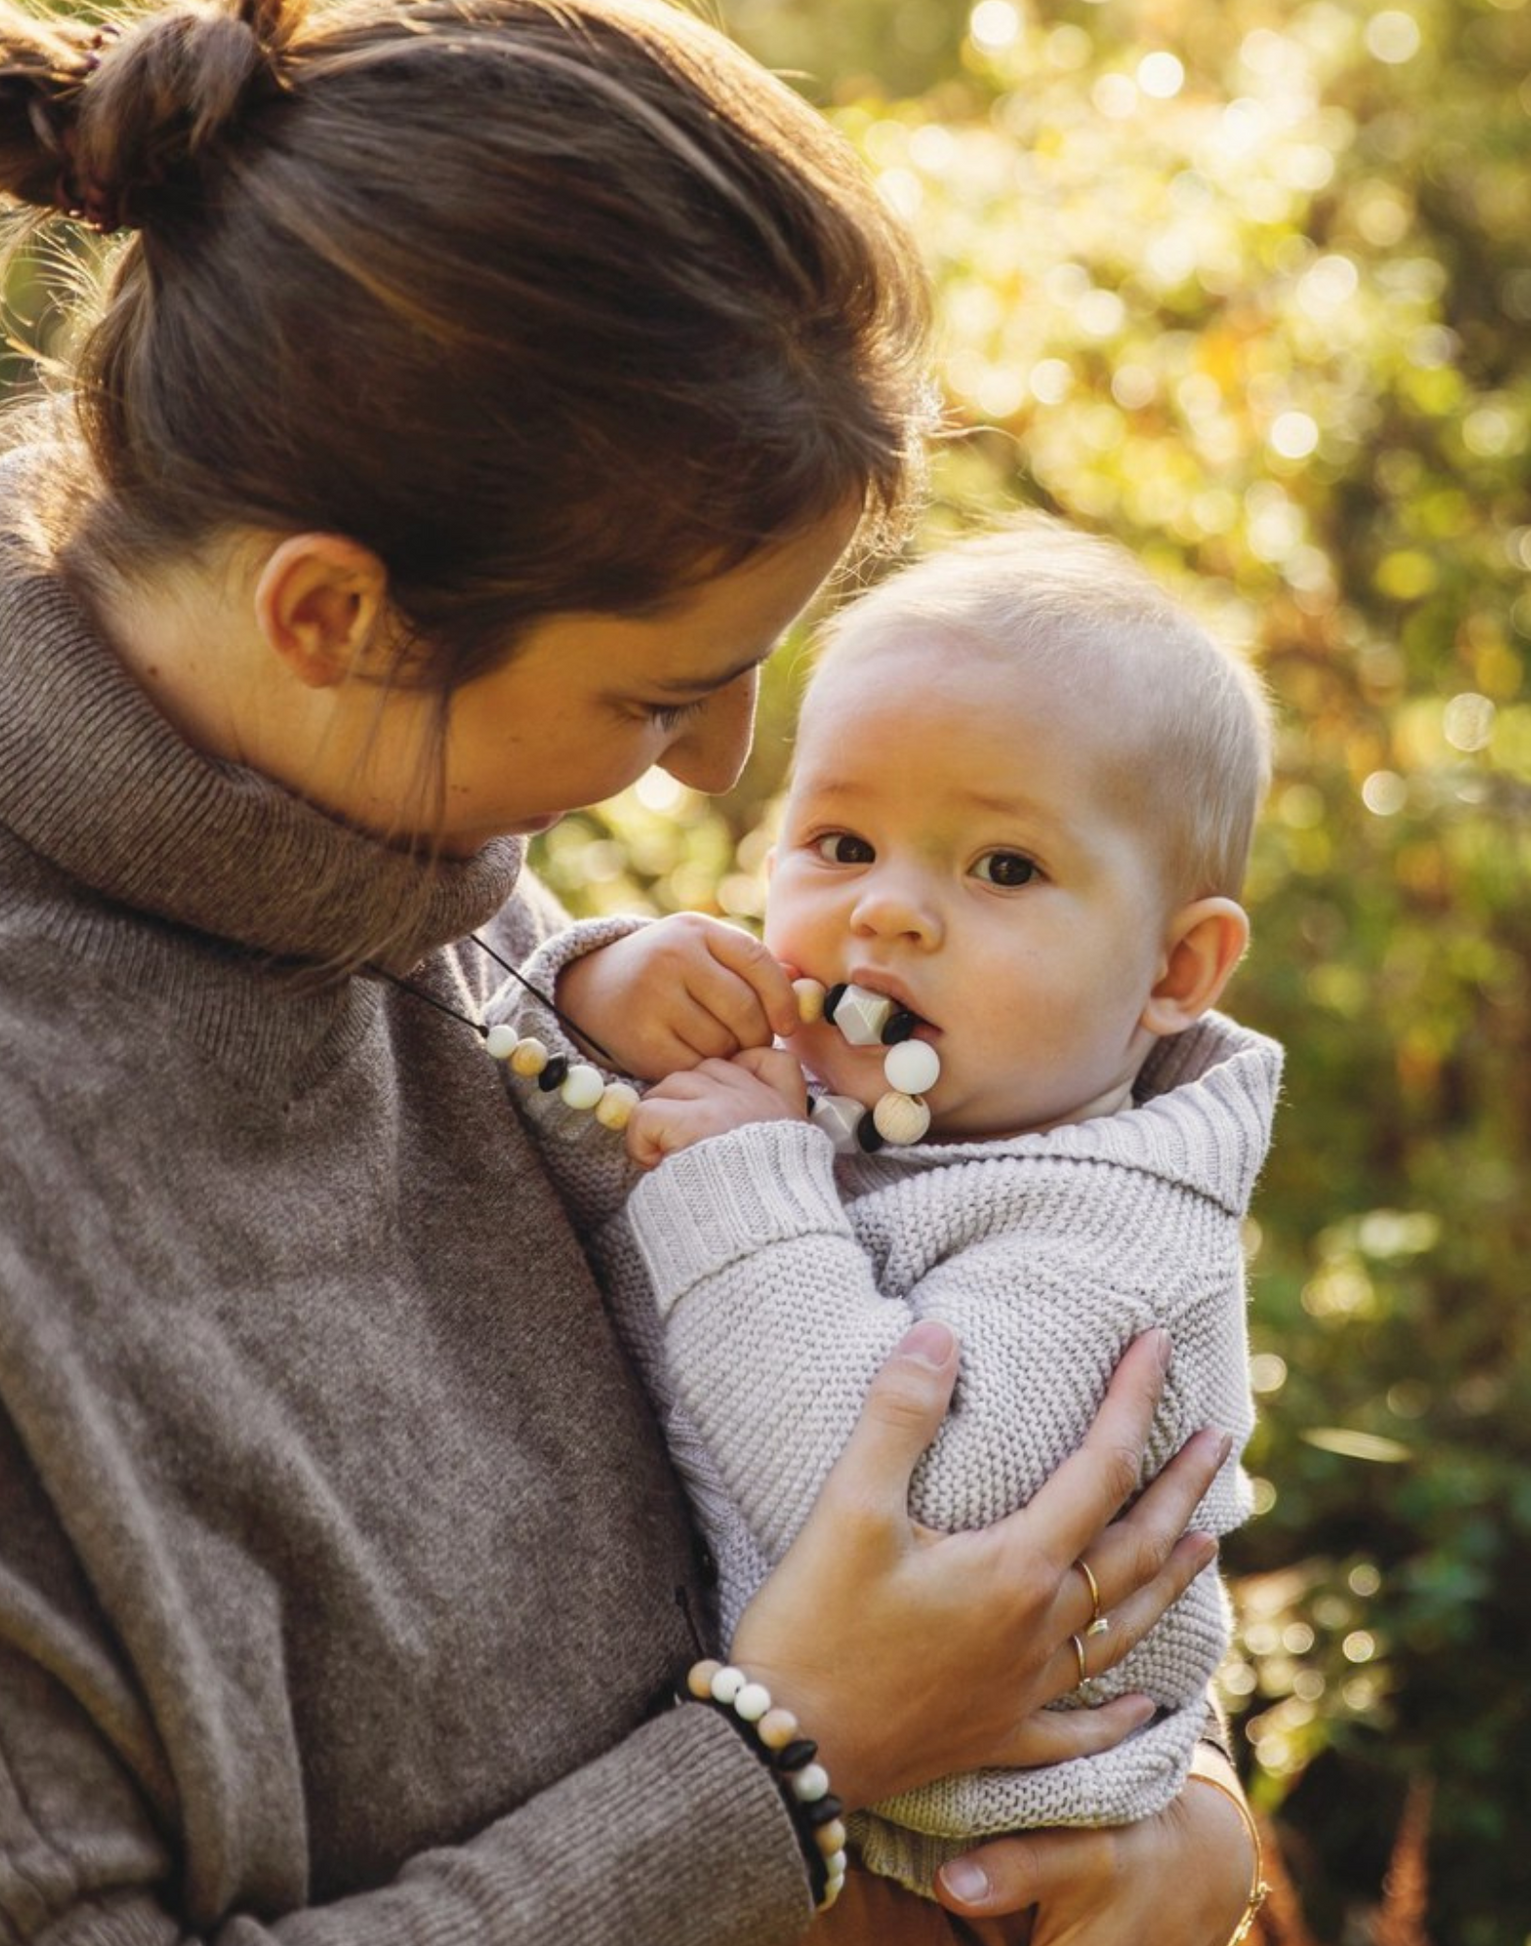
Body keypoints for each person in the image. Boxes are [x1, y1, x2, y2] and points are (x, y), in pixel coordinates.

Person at [0, 0, 1264, 1940]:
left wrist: (1170, 1825)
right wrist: (779, 1767)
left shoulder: (413, 859)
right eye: (659, 690)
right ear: (334, 614)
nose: (717, 767)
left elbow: (923, 1453)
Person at [481, 524, 1280, 1920]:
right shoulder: (855, 1126)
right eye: (841, 843)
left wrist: (738, 1175)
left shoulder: (1114, 1236)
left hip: (947, 1890)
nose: (889, 912)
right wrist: (594, 1006)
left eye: (1004, 869)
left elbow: (891, 1524)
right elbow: (557, 1206)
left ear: (1174, 965)